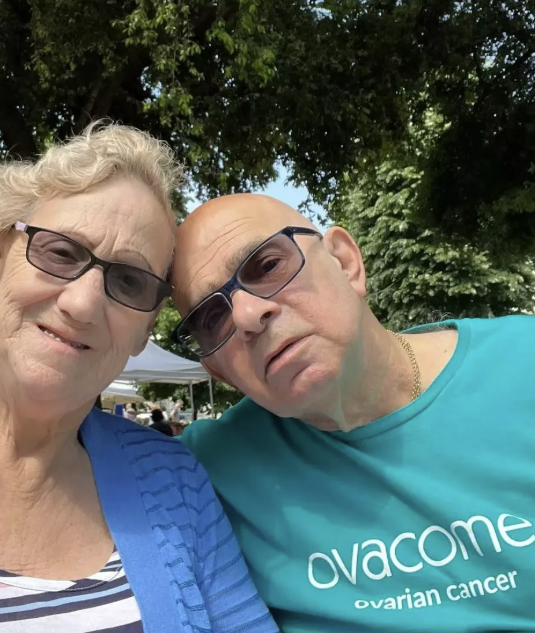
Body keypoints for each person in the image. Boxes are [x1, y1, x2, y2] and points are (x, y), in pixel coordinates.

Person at [0, 132, 278, 633]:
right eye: (60, 252)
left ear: (144, 329)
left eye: (129, 282)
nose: (82, 303)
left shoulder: (175, 485)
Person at [170, 192, 535, 633]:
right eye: (212, 318)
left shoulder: (523, 364)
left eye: (267, 266)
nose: (247, 315)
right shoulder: (195, 472)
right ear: (217, 369)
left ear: (346, 263)